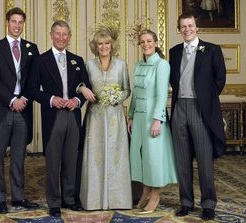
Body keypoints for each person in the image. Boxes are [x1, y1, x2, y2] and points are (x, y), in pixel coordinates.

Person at [27, 20, 91, 217]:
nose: (61, 38)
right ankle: (54, 202)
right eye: (58, 34)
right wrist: (52, 99)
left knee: (71, 160)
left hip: (73, 116)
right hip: (52, 116)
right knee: (53, 161)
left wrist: (77, 100)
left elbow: (86, 87)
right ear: (51, 35)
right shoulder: (40, 60)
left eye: (65, 34)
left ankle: (69, 199)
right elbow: (31, 89)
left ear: (69, 37)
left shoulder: (77, 60)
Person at [169, 13, 226, 221]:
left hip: (200, 108)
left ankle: (208, 204)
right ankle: (186, 202)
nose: (187, 29)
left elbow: (220, 79)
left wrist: (205, 98)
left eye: (190, 25)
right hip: (179, 108)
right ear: (180, 29)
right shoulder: (174, 52)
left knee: (204, 160)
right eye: (183, 26)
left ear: (197, 27)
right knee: (182, 160)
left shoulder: (212, 50)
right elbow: (174, 81)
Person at [0, 7, 40, 214]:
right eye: (14, 21)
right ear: (7, 23)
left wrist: (24, 99)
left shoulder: (31, 48)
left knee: (18, 157)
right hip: (3, 109)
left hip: (24, 110)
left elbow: (33, 79)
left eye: (20, 22)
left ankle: (18, 197)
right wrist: (11, 100)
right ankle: (0, 199)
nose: (17, 26)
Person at [78, 26, 132, 210]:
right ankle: (94, 200)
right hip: (96, 117)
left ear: (112, 45)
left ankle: (118, 200)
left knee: (117, 156)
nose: (104, 46)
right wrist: (81, 88)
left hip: (116, 117)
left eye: (107, 43)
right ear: (95, 46)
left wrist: (119, 97)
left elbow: (127, 90)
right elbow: (81, 84)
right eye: (100, 44)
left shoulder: (121, 64)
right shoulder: (89, 65)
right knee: (96, 156)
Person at [127, 29, 178, 214]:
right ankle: (145, 190)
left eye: (149, 41)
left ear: (156, 43)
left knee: (154, 158)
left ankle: (155, 195)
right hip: (139, 118)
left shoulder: (162, 65)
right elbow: (136, 93)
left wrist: (158, 120)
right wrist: (131, 115)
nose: (146, 44)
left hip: (153, 118)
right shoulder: (139, 65)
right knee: (140, 157)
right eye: (142, 41)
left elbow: (161, 95)